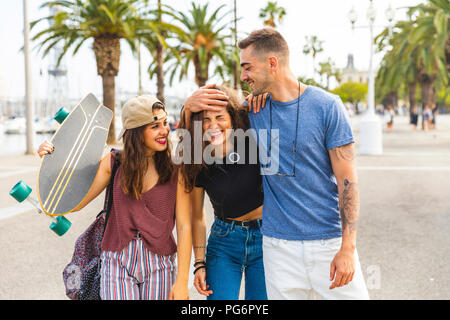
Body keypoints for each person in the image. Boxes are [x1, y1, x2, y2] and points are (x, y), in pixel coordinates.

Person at [184, 28, 369, 300]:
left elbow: (348, 182)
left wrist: (347, 248)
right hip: (277, 248)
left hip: (327, 243)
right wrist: (188, 106)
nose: (243, 76)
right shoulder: (252, 112)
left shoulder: (328, 106)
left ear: (272, 63)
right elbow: (200, 131)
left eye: (247, 68)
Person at [37, 95, 192, 300]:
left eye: (164, 123)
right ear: (136, 132)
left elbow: (184, 226)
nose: (164, 130)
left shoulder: (176, 170)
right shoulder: (114, 163)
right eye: (154, 126)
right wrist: (53, 158)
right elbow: (74, 202)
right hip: (117, 261)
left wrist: (181, 281)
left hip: (160, 264)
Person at [179, 85, 267, 300]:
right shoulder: (197, 158)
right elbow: (197, 216)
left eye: (220, 117)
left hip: (266, 238)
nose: (213, 126)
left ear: (233, 118)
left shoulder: (253, 138)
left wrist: (265, 93)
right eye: (206, 120)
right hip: (224, 241)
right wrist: (199, 262)